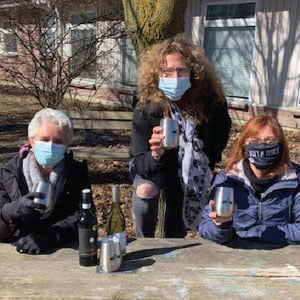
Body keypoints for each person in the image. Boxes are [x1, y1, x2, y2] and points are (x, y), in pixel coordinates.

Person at [129, 34, 232, 238]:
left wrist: (204, 162)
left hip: (191, 169)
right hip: (155, 167)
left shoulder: (211, 102)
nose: (174, 78)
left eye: (181, 70)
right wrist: (155, 154)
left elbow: (220, 135)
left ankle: (175, 242)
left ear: (192, 72)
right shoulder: (146, 107)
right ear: (157, 74)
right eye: (167, 71)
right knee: (145, 190)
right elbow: (140, 163)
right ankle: (145, 241)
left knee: (180, 198)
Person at [0, 108, 91, 254]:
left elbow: (84, 216)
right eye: (44, 140)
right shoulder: (8, 172)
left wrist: (49, 237)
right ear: (32, 142)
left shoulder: (76, 172)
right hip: (15, 253)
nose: (50, 146)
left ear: (66, 145)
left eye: (58, 141)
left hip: (62, 253)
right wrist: (15, 210)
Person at [199, 113, 300, 244]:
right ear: (244, 145)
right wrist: (221, 225)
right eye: (255, 142)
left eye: (270, 141)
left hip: (283, 258)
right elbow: (205, 230)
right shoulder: (228, 179)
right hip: (236, 257)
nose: (262, 146)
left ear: (280, 145)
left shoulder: (295, 178)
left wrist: (254, 233)